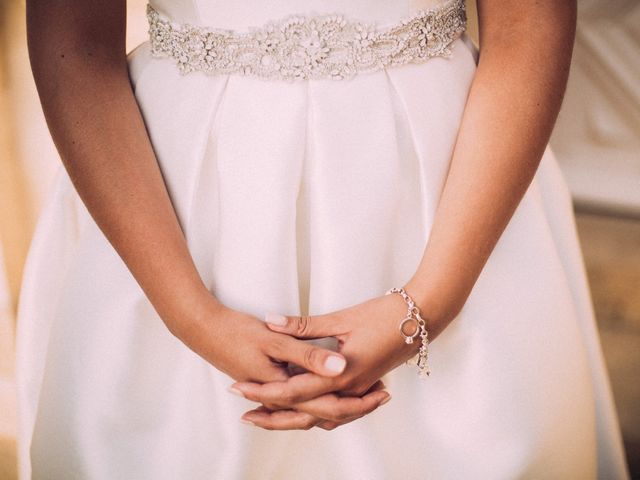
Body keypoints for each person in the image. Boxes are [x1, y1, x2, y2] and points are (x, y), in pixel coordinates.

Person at [15, 0, 630, 478]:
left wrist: (430, 301)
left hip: (451, 200)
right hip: (167, 212)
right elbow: (75, 44)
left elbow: (528, 26)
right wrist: (188, 313)